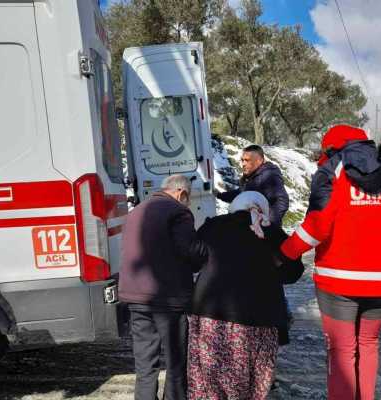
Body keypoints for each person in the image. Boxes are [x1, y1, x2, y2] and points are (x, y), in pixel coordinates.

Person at [280, 125, 381, 400]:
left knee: (341, 350)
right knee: (369, 343)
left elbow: (317, 228)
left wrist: (283, 254)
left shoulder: (330, 172)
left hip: (337, 279)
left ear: (331, 149)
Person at [187, 191, 304, 400]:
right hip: (258, 319)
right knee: (250, 381)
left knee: (208, 377)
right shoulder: (274, 234)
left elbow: (194, 259)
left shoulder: (213, 226)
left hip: (209, 315)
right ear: (263, 211)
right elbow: (293, 273)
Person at [119, 174, 208, 400]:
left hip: (135, 297)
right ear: (182, 193)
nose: (188, 204)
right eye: (189, 199)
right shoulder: (178, 212)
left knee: (145, 364)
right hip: (167, 297)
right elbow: (189, 249)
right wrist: (205, 256)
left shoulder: (136, 211)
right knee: (176, 362)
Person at [215, 145, 289, 227]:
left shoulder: (269, 176)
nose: (243, 164)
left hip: (264, 232)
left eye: (247, 160)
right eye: (242, 160)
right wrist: (220, 195)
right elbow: (240, 194)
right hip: (251, 228)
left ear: (259, 161)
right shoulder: (252, 176)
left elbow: (282, 201)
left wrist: (267, 223)